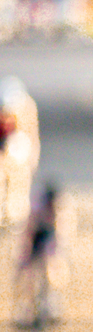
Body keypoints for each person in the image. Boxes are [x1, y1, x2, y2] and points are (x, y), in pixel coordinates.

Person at [15, 170, 71, 326]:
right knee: (26, 274)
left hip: (51, 236)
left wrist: (52, 261)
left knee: (52, 271)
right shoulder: (36, 205)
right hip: (35, 234)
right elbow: (28, 229)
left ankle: (51, 304)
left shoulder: (62, 210)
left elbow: (59, 240)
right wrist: (26, 255)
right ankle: (25, 308)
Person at [0, 74, 39, 231]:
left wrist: (32, 158)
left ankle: (16, 215)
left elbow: (32, 136)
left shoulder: (27, 110)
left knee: (19, 179)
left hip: (19, 151)